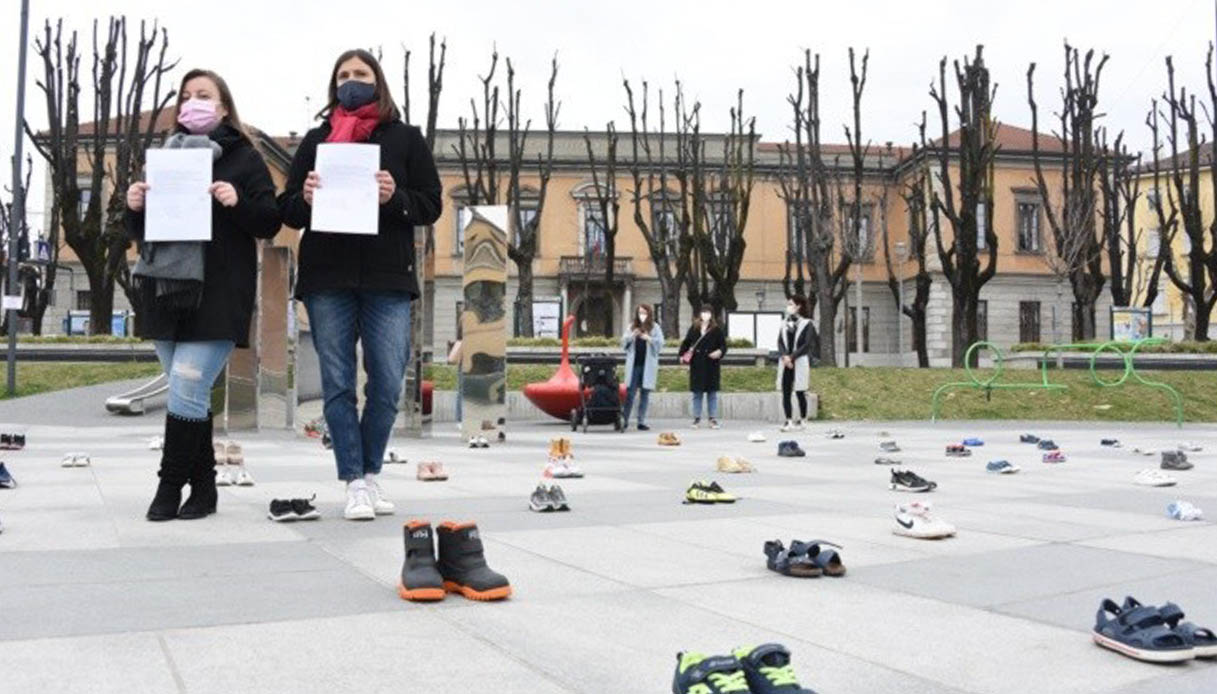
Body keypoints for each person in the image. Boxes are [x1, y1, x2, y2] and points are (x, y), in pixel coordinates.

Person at [278, 48, 442, 521]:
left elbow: (431, 204)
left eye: (361, 74)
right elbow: (286, 210)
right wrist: (304, 197)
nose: (353, 81)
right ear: (335, 86)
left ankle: (370, 473)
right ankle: (354, 480)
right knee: (337, 383)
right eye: (344, 75)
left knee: (388, 381)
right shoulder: (316, 140)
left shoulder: (405, 139)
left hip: (387, 277)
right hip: (327, 276)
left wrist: (395, 197)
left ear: (378, 82)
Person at [125, 68, 282, 521]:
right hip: (165, 290)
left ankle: (168, 485)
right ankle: (206, 488)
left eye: (204, 95)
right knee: (186, 394)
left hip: (218, 290)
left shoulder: (244, 159)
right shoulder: (165, 157)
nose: (193, 101)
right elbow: (141, 232)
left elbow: (269, 222)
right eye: (186, 95)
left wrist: (237, 201)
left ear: (223, 107)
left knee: (189, 384)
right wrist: (134, 207)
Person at [679, 304, 727, 429]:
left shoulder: (716, 329)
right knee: (697, 393)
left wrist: (719, 352)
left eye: (708, 312)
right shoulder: (694, 328)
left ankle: (712, 419)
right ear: (700, 314)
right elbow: (686, 342)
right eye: (704, 312)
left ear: (712, 315)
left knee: (712, 393)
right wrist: (681, 355)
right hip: (697, 364)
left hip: (711, 364)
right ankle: (696, 418)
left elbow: (723, 345)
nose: (706, 315)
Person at [776, 295, 816, 432]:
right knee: (786, 392)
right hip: (786, 362)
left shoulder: (807, 323)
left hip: (799, 360)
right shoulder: (784, 323)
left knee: (800, 391)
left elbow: (806, 345)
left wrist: (792, 357)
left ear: (798, 306)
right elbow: (780, 342)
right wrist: (785, 357)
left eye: (791, 304)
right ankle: (788, 421)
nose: (788, 306)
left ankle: (803, 419)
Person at [621, 303, 663, 431]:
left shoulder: (655, 327)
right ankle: (625, 419)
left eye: (644, 312)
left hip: (647, 366)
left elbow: (660, 343)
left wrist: (648, 338)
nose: (642, 315)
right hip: (634, 366)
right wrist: (632, 335)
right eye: (640, 312)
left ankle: (641, 421)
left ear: (649, 314)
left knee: (645, 394)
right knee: (630, 394)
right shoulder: (632, 326)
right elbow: (623, 343)